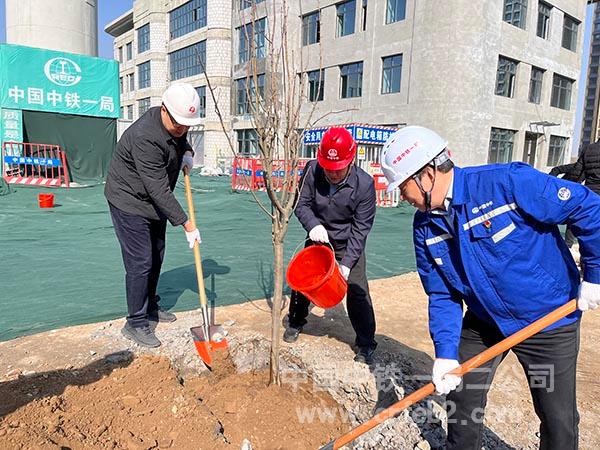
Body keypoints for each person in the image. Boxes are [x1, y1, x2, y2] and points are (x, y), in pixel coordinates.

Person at [381, 125, 600, 450]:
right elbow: (442, 293)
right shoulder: (425, 227)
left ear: (426, 174)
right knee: (462, 400)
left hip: (549, 320)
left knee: (557, 418)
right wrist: (444, 354)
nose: (401, 197)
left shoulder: (506, 184)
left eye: (402, 188)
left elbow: (589, 207)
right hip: (485, 321)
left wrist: (594, 275)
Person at [105, 83, 203, 348]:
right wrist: (187, 223)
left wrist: (187, 152)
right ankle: (135, 322)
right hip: (129, 200)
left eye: (187, 124)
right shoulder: (145, 137)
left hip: (152, 201)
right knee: (141, 261)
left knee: (157, 254)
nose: (183, 128)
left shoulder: (175, 121)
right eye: (179, 123)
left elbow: (181, 137)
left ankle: (150, 307)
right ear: (164, 110)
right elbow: (158, 189)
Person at [284, 127, 378, 364]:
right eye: (328, 167)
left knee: (357, 290)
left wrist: (346, 265)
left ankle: (366, 343)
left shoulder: (364, 185)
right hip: (319, 236)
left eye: (338, 169)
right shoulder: (311, 171)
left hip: (349, 242)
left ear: (351, 160)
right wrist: (313, 225)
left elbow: (360, 229)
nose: (333, 174)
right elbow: (301, 204)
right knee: (305, 282)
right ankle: (296, 321)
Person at [549, 162, 581, 249]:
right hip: (562, 195)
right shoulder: (575, 167)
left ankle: (568, 246)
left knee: (574, 220)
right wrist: (552, 185)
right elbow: (556, 169)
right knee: (551, 217)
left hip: (575, 200)